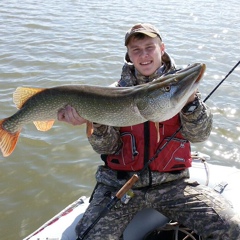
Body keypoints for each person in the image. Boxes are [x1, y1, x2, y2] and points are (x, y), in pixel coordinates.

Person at [58, 23, 240, 240]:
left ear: (161, 48)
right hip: (121, 184)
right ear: (128, 55)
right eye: (136, 49)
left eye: (149, 47)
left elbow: (200, 135)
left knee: (231, 227)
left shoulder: (181, 87)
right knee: (91, 236)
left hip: (173, 184)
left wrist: (191, 104)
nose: (143, 55)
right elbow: (106, 148)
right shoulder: (113, 93)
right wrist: (97, 123)